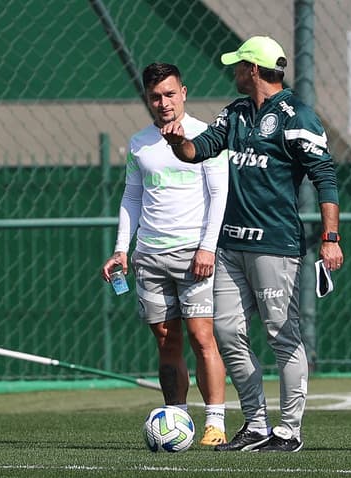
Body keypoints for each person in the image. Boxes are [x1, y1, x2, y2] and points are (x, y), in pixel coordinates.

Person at [160, 35, 343, 453]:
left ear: (254, 70)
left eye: (238, 66)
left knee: (282, 334)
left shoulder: (299, 116)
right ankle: (257, 423)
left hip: (276, 246)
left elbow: (325, 177)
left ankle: (290, 431)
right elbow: (199, 150)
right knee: (226, 333)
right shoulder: (236, 113)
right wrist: (177, 143)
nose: (234, 72)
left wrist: (330, 237)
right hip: (230, 246)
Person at [100, 62, 229, 447]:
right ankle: (177, 417)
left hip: (194, 254)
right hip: (149, 257)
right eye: (155, 96)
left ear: (184, 93)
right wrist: (123, 249)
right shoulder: (140, 143)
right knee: (165, 340)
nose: (163, 102)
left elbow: (219, 195)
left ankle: (216, 423)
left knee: (201, 336)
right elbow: (132, 196)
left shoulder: (206, 137)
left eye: (170, 94)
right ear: (147, 99)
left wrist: (208, 247)